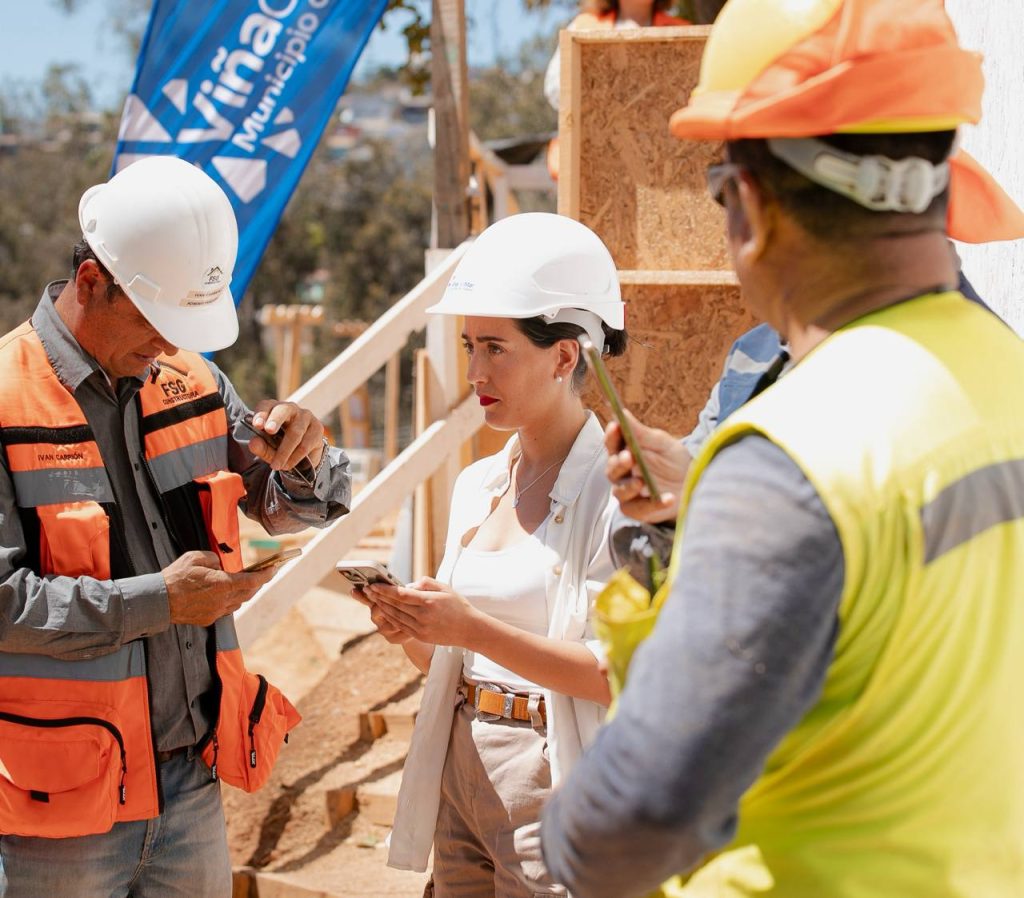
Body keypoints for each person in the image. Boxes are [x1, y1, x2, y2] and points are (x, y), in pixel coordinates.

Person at [540, 1, 1024, 896]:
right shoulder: (1005, 376)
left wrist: (562, 831)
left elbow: (631, 823)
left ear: (750, 204)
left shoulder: (791, 457)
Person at [0, 156, 352, 897]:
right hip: (55, 814)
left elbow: (294, 505)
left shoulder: (191, 382)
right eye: (157, 323)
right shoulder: (4, 398)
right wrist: (158, 603)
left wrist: (305, 456)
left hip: (191, 784)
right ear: (91, 282)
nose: (169, 345)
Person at [360, 213, 627, 896]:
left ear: (566, 356)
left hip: (550, 777)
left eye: (496, 348)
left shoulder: (617, 497)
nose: (475, 371)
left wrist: (468, 626)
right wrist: (414, 634)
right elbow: (455, 662)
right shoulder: (481, 484)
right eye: (469, 345)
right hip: (459, 765)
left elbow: (610, 675)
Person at [543, 1, 689, 178]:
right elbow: (555, 88)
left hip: (662, 168)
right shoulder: (584, 27)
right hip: (594, 170)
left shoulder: (683, 31)